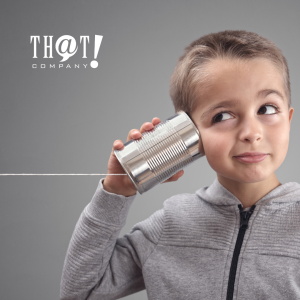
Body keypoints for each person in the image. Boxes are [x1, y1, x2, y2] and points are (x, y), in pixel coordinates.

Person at [60, 30, 300, 300]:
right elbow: (81, 291)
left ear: (288, 119)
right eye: (222, 115)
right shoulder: (170, 224)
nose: (251, 132)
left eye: (267, 109)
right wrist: (116, 191)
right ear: (186, 132)